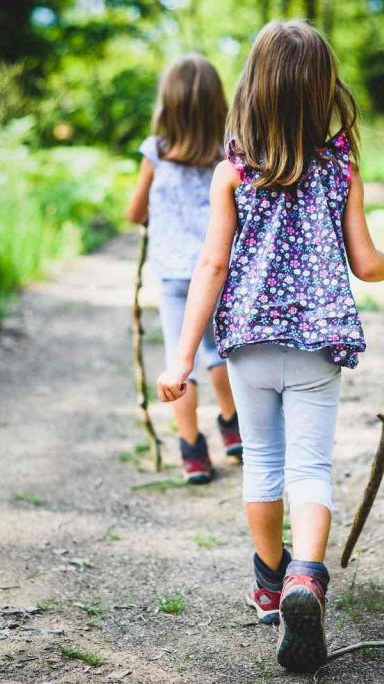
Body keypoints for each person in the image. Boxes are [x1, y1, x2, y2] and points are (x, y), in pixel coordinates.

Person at [156, 22, 384, 672]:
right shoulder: (340, 169)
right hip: (315, 341)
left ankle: (270, 585)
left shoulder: (233, 172)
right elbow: (365, 263)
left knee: (263, 463)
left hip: (244, 341)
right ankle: (308, 576)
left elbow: (211, 268)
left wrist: (183, 356)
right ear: (321, 91)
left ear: (254, 89)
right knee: (310, 467)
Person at [127, 54, 243, 485]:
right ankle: (233, 428)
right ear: (219, 104)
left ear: (167, 105)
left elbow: (136, 212)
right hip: (218, 270)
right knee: (219, 352)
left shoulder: (155, 154)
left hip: (175, 276)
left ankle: (193, 451)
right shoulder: (228, 154)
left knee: (183, 360)